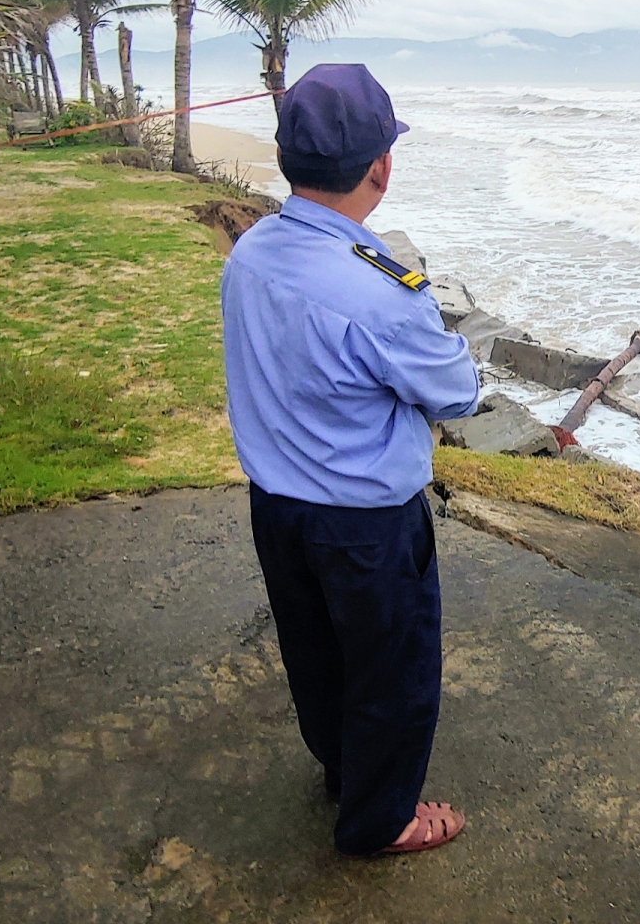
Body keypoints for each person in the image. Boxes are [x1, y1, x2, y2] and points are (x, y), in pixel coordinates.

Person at [221, 63, 480, 857]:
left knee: (318, 654)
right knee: (394, 675)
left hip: (278, 508)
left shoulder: (251, 252)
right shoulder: (379, 290)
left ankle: (344, 772)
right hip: (365, 525)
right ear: (381, 167)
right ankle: (381, 819)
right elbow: (458, 392)